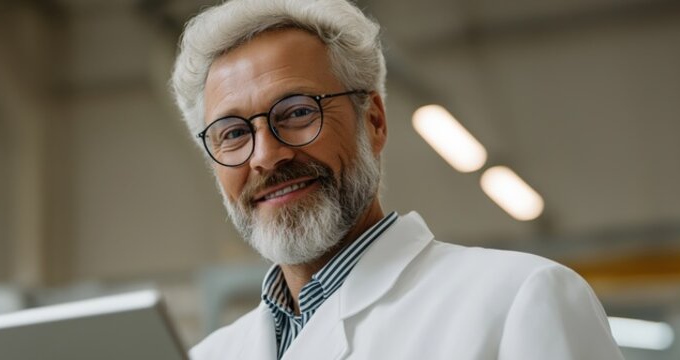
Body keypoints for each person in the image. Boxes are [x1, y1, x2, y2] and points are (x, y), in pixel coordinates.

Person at [169, 0, 625, 359]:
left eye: (298, 113)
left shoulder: (521, 300)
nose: (266, 156)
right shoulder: (210, 354)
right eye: (232, 134)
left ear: (374, 122)